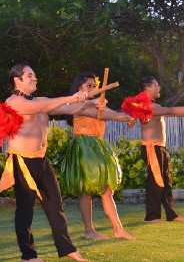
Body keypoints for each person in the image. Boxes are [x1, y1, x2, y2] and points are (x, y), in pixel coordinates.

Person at [0, 63, 96, 262]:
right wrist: (72, 97)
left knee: (55, 205)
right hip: (22, 161)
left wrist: (88, 103)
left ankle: (68, 248)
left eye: (34, 74)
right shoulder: (13, 102)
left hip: (42, 160)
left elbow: (68, 109)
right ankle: (28, 256)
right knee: (25, 210)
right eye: (29, 75)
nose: (35, 78)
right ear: (17, 80)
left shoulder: (40, 99)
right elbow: (40, 108)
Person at [61, 71, 135, 241]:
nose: (93, 89)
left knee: (106, 190)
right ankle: (90, 230)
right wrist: (123, 117)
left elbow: (109, 111)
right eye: (88, 86)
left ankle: (117, 229)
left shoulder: (96, 104)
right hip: (84, 149)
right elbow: (104, 115)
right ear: (78, 88)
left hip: (98, 148)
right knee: (87, 191)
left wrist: (129, 116)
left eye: (94, 86)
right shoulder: (78, 106)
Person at [139, 76, 184, 222]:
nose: (159, 88)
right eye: (156, 85)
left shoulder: (153, 105)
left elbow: (175, 113)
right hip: (152, 148)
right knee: (155, 182)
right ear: (147, 88)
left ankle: (171, 214)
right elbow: (172, 111)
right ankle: (152, 216)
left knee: (166, 181)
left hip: (160, 148)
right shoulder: (147, 106)